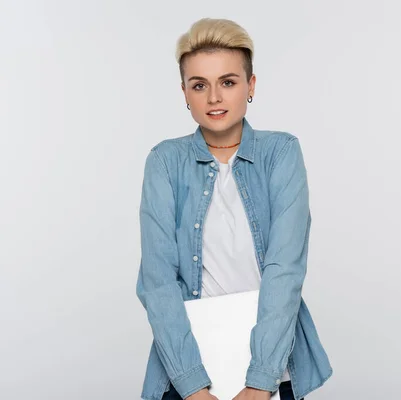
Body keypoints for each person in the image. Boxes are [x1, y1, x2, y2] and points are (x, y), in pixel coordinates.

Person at [135, 18, 333, 400]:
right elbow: (157, 281)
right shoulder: (164, 161)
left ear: (250, 86)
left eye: (228, 82)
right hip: (188, 369)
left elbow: (285, 269)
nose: (214, 98)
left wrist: (261, 381)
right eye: (199, 85)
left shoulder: (281, 152)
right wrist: (192, 386)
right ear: (184, 93)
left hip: (273, 368)